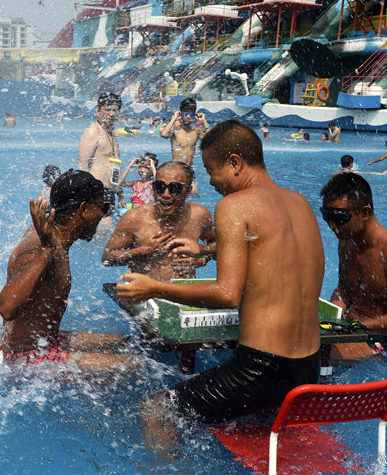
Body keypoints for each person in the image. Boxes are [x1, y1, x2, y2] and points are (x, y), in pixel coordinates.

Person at [118, 120, 324, 433]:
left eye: (211, 169)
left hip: (263, 368)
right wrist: (206, 252)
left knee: (157, 409)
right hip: (309, 366)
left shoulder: (234, 205)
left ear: (235, 163)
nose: (211, 181)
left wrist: (153, 288)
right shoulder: (300, 203)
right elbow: (277, 257)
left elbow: (227, 293)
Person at [0, 170, 135, 376]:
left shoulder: (52, 234)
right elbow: (8, 308)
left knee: (122, 341)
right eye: (103, 208)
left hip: (47, 340)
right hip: (26, 356)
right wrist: (45, 251)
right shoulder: (43, 245)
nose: (103, 216)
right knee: (133, 366)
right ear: (84, 209)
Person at [319, 173, 387, 360]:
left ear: (365, 213)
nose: (331, 224)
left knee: (313, 357)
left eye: (339, 217)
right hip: (357, 329)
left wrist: (361, 325)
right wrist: (333, 312)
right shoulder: (346, 242)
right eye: (326, 215)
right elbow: (344, 288)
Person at [103, 161, 214, 282]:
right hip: (146, 295)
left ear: (188, 192)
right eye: (159, 187)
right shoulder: (134, 218)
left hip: (185, 294)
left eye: (175, 188)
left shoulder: (199, 216)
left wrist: (202, 259)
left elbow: (217, 246)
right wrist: (142, 250)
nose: (166, 194)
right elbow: (107, 258)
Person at [78, 92, 124, 204]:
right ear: (98, 111)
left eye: (115, 110)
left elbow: (113, 166)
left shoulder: (111, 134)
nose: (112, 114)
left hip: (109, 192)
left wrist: (119, 192)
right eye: (107, 110)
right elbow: (82, 165)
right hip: (95, 192)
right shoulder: (93, 131)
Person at [159, 97, 207, 192]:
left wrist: (204, 122)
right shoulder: (176, 131)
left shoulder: (196, 131)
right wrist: (174, 119)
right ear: (181, 114)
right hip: (176, 170)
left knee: (195, 194)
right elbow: (164, 134)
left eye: (191, 114)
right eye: (185, 113)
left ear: (194, 115)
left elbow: (210, 140)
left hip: (189, 170)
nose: (188, 117)